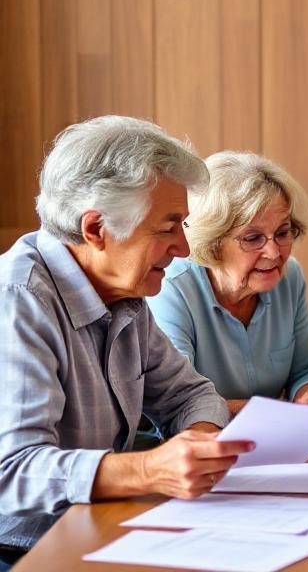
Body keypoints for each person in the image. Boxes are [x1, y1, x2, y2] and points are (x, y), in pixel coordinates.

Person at [0, 116, 252, 562]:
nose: (182, 248)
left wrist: (198, 441)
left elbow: (191, 394)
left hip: (100, 528)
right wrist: (149, 468)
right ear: (96, 229)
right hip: (24, 552)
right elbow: (12, 475)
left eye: (182, 226)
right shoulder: (17, 301)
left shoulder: (122, 292)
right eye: (166, 227)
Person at [147, 152, 308, 430]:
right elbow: (177, 400)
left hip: (271, 439)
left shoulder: (289, 277)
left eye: (283, 232)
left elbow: (304, 368)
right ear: (212, 242)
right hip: (194, 444)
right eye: (253, 238)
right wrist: (273, 412)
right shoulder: (173, 288)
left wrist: (307, 394)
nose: (274, 252)